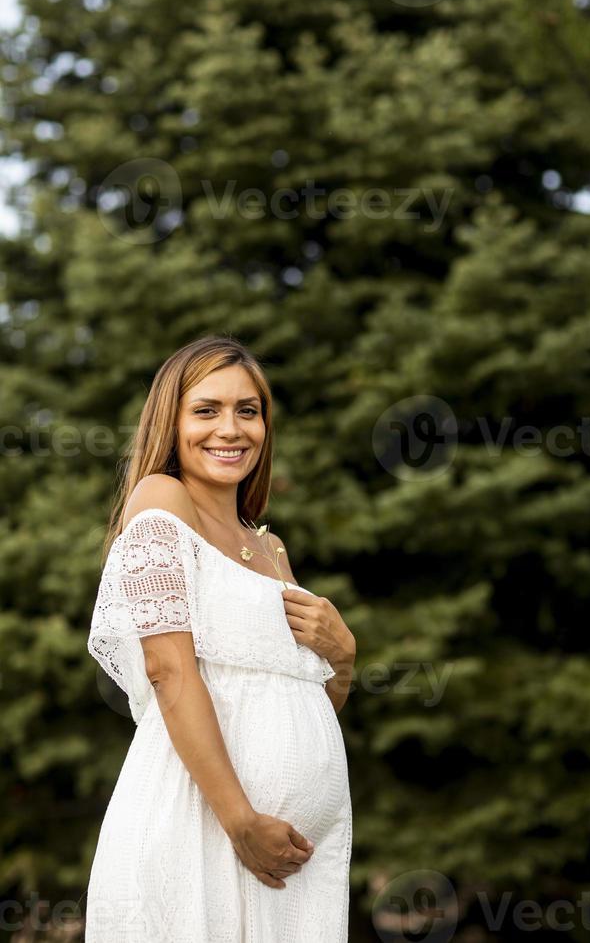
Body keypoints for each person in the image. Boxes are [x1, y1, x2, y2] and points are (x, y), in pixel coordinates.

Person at [85, 335, 356, 942]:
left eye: (248, 411)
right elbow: (169, 671)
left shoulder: (270, 548)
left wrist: (344, 652)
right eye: (206, 410)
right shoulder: (162, 501)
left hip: (291, 860)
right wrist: (241, 822)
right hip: (203, 828)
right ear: (171, 422)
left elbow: (310, 702)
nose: (230, 429)